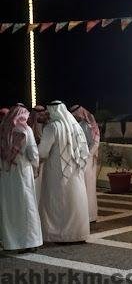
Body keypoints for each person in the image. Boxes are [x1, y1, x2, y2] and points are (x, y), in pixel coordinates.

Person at [38, 101, 90, 243]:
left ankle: (59, 235)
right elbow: (84, 150)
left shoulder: (52, 127)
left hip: (56, 172)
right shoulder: (75, 126)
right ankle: (79, 234)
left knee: (58, 202)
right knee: (75, 201)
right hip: (76, 171)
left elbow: (42, 152)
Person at [0, 104, 43, 252]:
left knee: (10, 207)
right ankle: (30, 242)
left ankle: (12, 242)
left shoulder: (3, 129)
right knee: (27, 206)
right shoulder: (26, 130)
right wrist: (36, 167)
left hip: (6, 174)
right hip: (22, 172)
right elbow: (33, 153)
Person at [70, 105, 100, 222]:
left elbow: (95, 143)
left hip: (87, 159)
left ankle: (90, 215)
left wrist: (87, 156)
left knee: (88, 187)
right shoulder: (80, 124)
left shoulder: (88, 125)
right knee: (85, 187)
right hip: (83, 158)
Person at [28, 105, 49, 204]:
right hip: (32, 155)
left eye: (41, 113)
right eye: (37, 113)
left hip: (44, 155)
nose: (39, 115)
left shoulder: (47, 125)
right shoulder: (28, 124)